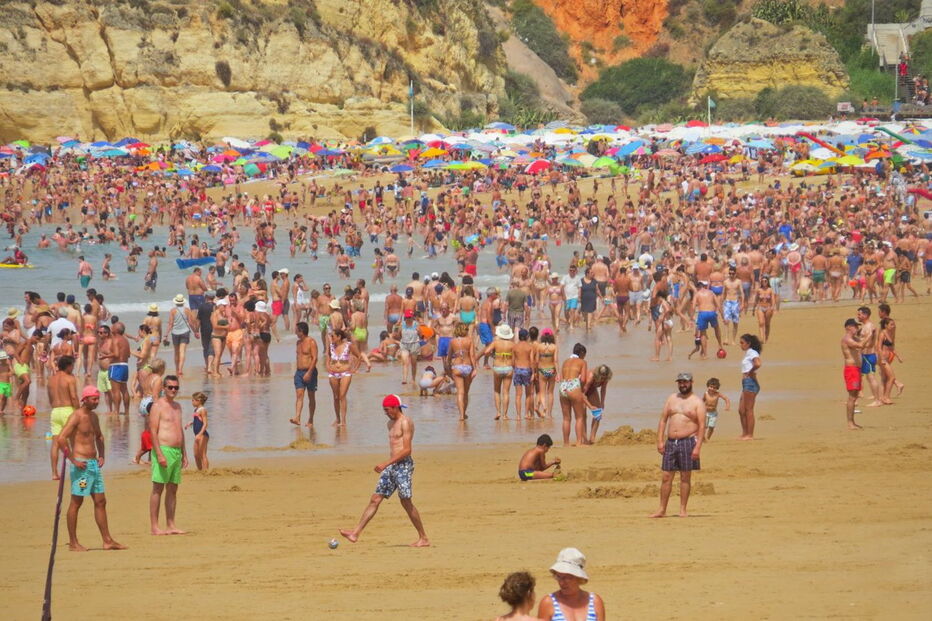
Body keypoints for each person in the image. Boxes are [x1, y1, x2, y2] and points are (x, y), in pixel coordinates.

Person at [339, 394, 429, 547]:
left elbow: (407, 450)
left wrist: (385, 463)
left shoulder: (405, 422)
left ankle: (423, 538)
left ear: (395, 407)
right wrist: (388, 464)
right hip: (391, 466)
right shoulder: (390, 423)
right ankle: (355, 533)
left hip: (403, 466)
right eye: (384, 410)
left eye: (387, 410)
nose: (386, 413)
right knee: (375, 498)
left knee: (406, 501)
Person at [56, 385, 127, 551]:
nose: (96, 402)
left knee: (101, 501)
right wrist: (73, 460)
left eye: (98, 399)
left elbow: (99, 436)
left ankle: (107, 541)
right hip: (82, 468)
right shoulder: (77, 416)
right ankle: (73, 542)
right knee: (77, 502)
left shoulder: (93, 416)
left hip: (93, 466)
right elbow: (61, 439)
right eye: (94, 399)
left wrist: (102, 455)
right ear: (85, 399)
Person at [651, 372, 705, 518]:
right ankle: (662, 509)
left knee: (685, 477)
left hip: (688, 441)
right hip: (671, 442)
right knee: (666, 476)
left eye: (685, 382)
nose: (683, 385)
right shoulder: (672, 398)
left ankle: (682, 510)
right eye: (680, 382)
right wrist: (660, 440)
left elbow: (702, 426)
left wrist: (698, 447)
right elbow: (663, 420)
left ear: (691, 382)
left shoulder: (697, 402)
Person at [149, 374, 187, 535]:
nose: (173, 390)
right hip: (163, 449)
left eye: (176, 387)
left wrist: (184, 453)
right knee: (158, 488)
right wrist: (159, 454)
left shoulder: (178, 406)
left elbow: (180, 430)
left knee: (173, 488)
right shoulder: (157, 406)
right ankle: (155, 526)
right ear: (164, 388)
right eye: (170, 387)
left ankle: (171, 524)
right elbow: (152, 431)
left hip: (176, 451)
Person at [537, 548, 605, 621]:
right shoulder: (548, 603)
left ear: (578, 577)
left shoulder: (595, 602)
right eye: (559, 577)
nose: (562, 582)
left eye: (567, 577)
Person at [48, 355, 79, 480]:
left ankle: (54, 473)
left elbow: (50, 399)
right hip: (68, 410)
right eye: (72, 365)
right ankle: (76, 468)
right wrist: (79, 411)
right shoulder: (70, 378)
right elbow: (74, 397)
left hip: (55, 411)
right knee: (74, 441)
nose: (73, 368)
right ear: (68, 366)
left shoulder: (51, 379)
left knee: (55, 444)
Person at [558, 343, 594, 446]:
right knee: (579, 417)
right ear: (582, 353)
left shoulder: (565, 361)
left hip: (563, 386)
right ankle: (579, 442)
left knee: (566, 418)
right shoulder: (582, 362)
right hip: (573, 385)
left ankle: (566, 443)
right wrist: (581, 390)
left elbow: (561, 377)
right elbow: (583, 379)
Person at [446, 322, 477, 420]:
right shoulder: (470, 340)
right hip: (467, 367)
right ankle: (464, 412)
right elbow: (472, 356)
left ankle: (461, 415)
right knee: (466, 393)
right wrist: (475, 369)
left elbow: (448, 358)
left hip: (457, 367)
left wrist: (448, 370)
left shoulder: (452, 341)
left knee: (460, 392)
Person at [291, 321, 318, 427]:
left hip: (310, 372)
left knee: (311, 396)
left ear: (301, 331)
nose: (295, 332)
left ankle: (311, 419)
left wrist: (309, 373)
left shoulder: (311, 342)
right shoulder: (298, 343)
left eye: (296, 330)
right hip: (299, 372)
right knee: (299, 395)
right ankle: (297, 418)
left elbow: (315, 358)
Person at [738, 334, 762, 440]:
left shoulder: (752, 352)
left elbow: (758, 363)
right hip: (746, 383)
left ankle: (750, 435)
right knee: (741, 410)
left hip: (750, 383)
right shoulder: (748, 353)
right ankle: (745, 433)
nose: (740, 345)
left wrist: (751, 371)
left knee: (748, 409)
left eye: (742, 343)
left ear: (749, 343)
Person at [583, 365, 612, 442]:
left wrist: (602, 402)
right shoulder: (591, 377)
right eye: (601, 377)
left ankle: (592, 438)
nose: (602, 379)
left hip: (592, 389)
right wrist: (590, 406)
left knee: (598, 413)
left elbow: (603, 389)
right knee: (583, 415)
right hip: (581, 389)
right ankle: (584, 439)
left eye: (604, 377)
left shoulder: (606, 377)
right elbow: (582, 394)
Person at [184, 391, 209, 470]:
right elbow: (198, 420)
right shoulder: (196, 410)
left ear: (198, 400)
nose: (192, 402)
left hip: (203, 435)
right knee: (196, 455)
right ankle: (200, 471)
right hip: (197, 435)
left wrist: (200, 434)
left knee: (202, 454)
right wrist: (191, 423)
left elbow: (205, 424)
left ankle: (206, 471)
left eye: (193, 400)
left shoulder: (202, 410)